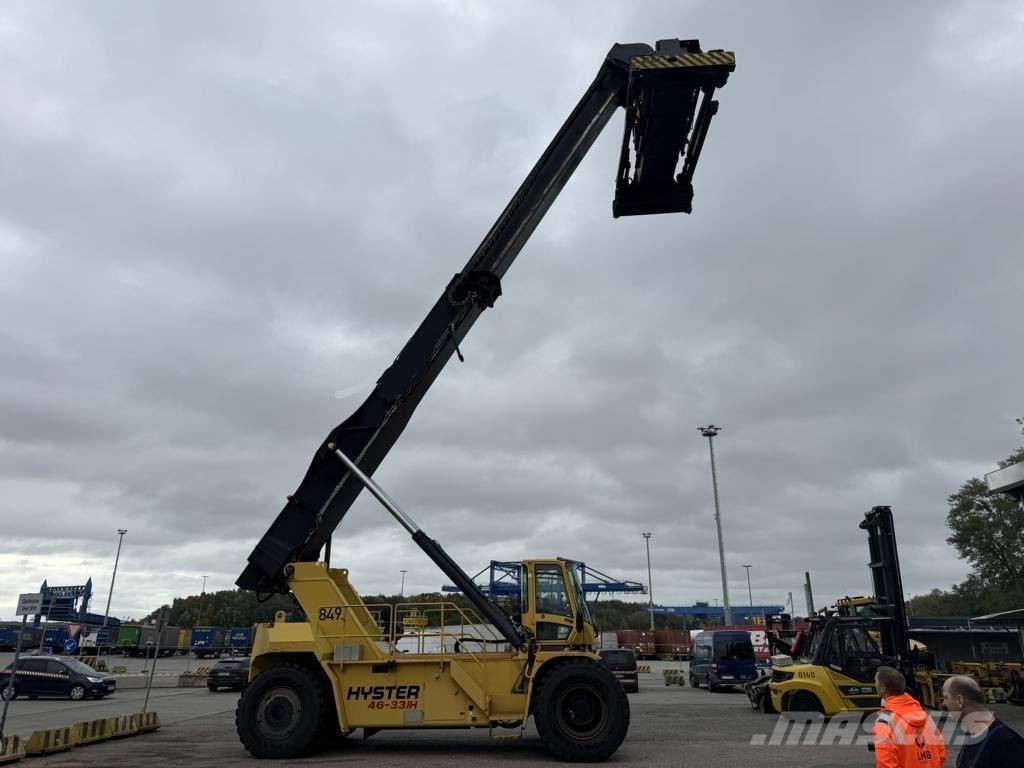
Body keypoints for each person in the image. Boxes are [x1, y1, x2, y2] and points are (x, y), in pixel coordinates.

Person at [942, 674, 1024, 767]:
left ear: (960, 701)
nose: (944, 703)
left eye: (946, 698)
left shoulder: (1006, 742)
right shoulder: (972, 735)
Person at [872, 665, 946, 768]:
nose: (874, 685)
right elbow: (941, 753)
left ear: (883, 688)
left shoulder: (885, 721)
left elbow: (885, 763)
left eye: (875, 681)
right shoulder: (926, 717)